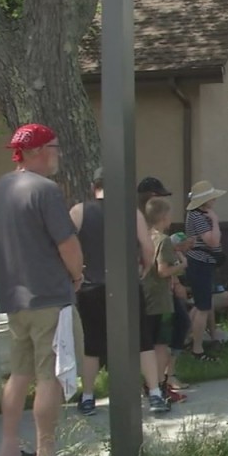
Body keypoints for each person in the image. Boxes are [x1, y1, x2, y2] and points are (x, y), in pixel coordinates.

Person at [0, 123, 85, 456]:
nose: (57, 153)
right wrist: (77, 275)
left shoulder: (2, 187)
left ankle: (7, 450)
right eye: (54, 147)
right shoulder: (45, 190)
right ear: (36, 152)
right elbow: (67, 244)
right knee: (51, 376)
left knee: (19, 374)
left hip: (14, 298)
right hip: (48, 295)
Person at [70, 168, 166, 416]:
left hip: (90, 285)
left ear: (94, 187)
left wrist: (75, 274)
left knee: (92, 344)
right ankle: (155, 394)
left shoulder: (79, 212)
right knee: (142, 341)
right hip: (125, 284)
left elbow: (67, 246)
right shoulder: (132, 214)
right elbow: (147, 247)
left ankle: (89, 396)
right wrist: (144, 268)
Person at [137, 176, 191, 394]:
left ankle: (156, 382)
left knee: (147, 342)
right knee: (160, 343)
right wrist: (182, 265)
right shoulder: (162, 239)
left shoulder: (144, 232)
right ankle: (160, 383)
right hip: (159, 298)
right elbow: (162, 269)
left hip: (144, 293)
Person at [184, 179, 227, 362]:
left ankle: (185, 338)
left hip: (203, 263)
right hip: (200, 264)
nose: (214, 201)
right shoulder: (199, 217)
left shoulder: (199, 215)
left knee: (199, 305)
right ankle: (197, 348)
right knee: (203, 308)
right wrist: (215, 222)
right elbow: (212, 241)